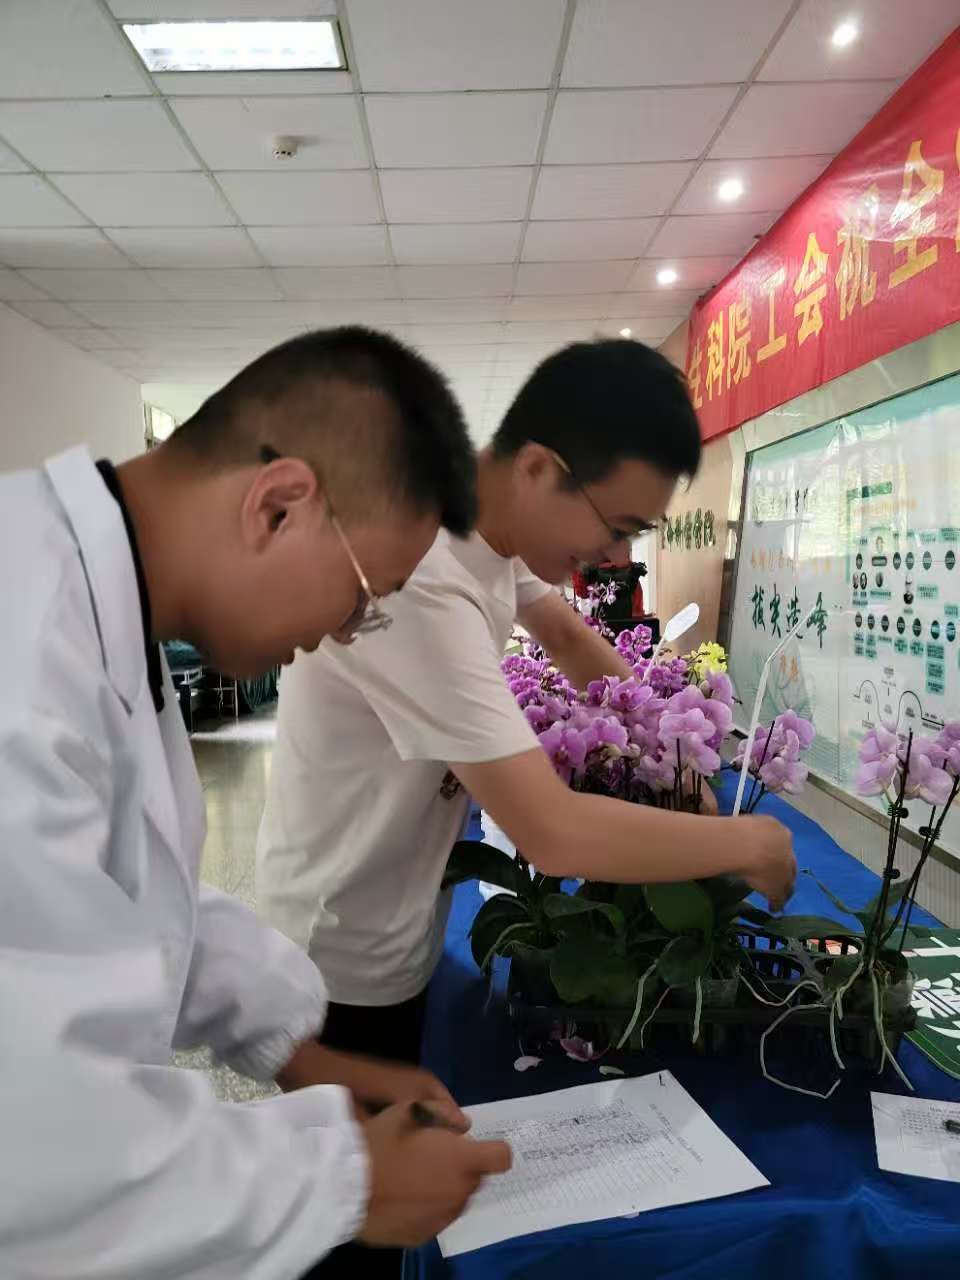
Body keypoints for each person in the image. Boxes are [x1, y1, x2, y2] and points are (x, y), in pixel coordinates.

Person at [0, 327, 511, 1280]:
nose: (344, 633)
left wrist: (297, 1046)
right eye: (363, 596)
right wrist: (341, 1180)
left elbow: (133, 897)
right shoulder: (21, 649)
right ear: (279, 507)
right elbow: (33, 1146)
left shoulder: (101, 608)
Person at [256, 341, 797, 1199]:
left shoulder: (483, 525)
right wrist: (747, 842)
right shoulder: (413, 575)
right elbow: (552, 831)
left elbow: (572, 639)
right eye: (615, 527)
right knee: (355, 1209)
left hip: (394, 915)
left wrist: (676, 764)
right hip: (338, 962)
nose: (614, 555)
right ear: (541, 469)